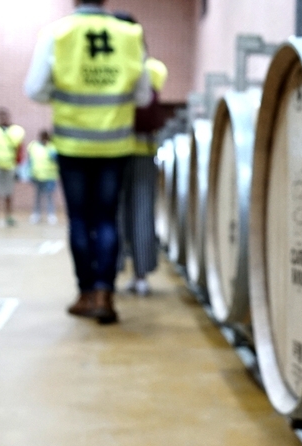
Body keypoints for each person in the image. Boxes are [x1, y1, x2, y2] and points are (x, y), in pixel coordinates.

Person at [24, 0, 150, 324]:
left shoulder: (57, 33)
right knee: (107, 219)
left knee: (80, 219)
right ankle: (105, 293)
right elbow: (144, 96)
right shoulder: (129, 34)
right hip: (115, 143)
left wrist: (63, 91)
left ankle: (85, 293)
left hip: (73, 143)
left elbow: (34, 89)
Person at [114, 12, 167, 296]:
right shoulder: (154, 68)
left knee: (115, 213)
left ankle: (113, 273)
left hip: (114, 149)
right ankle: (141, 275)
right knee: (143, 212)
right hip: (144, 150)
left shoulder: (118, 67)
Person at [26, 129, 59, 225]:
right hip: (37, 176)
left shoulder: (52, 147)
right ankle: (36, 214)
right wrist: (29, 173)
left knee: (49, 197)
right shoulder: (33, 146)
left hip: (49, 176)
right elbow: (30, 161)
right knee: (37, 196)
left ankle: (51, 214)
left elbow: (56, 160)